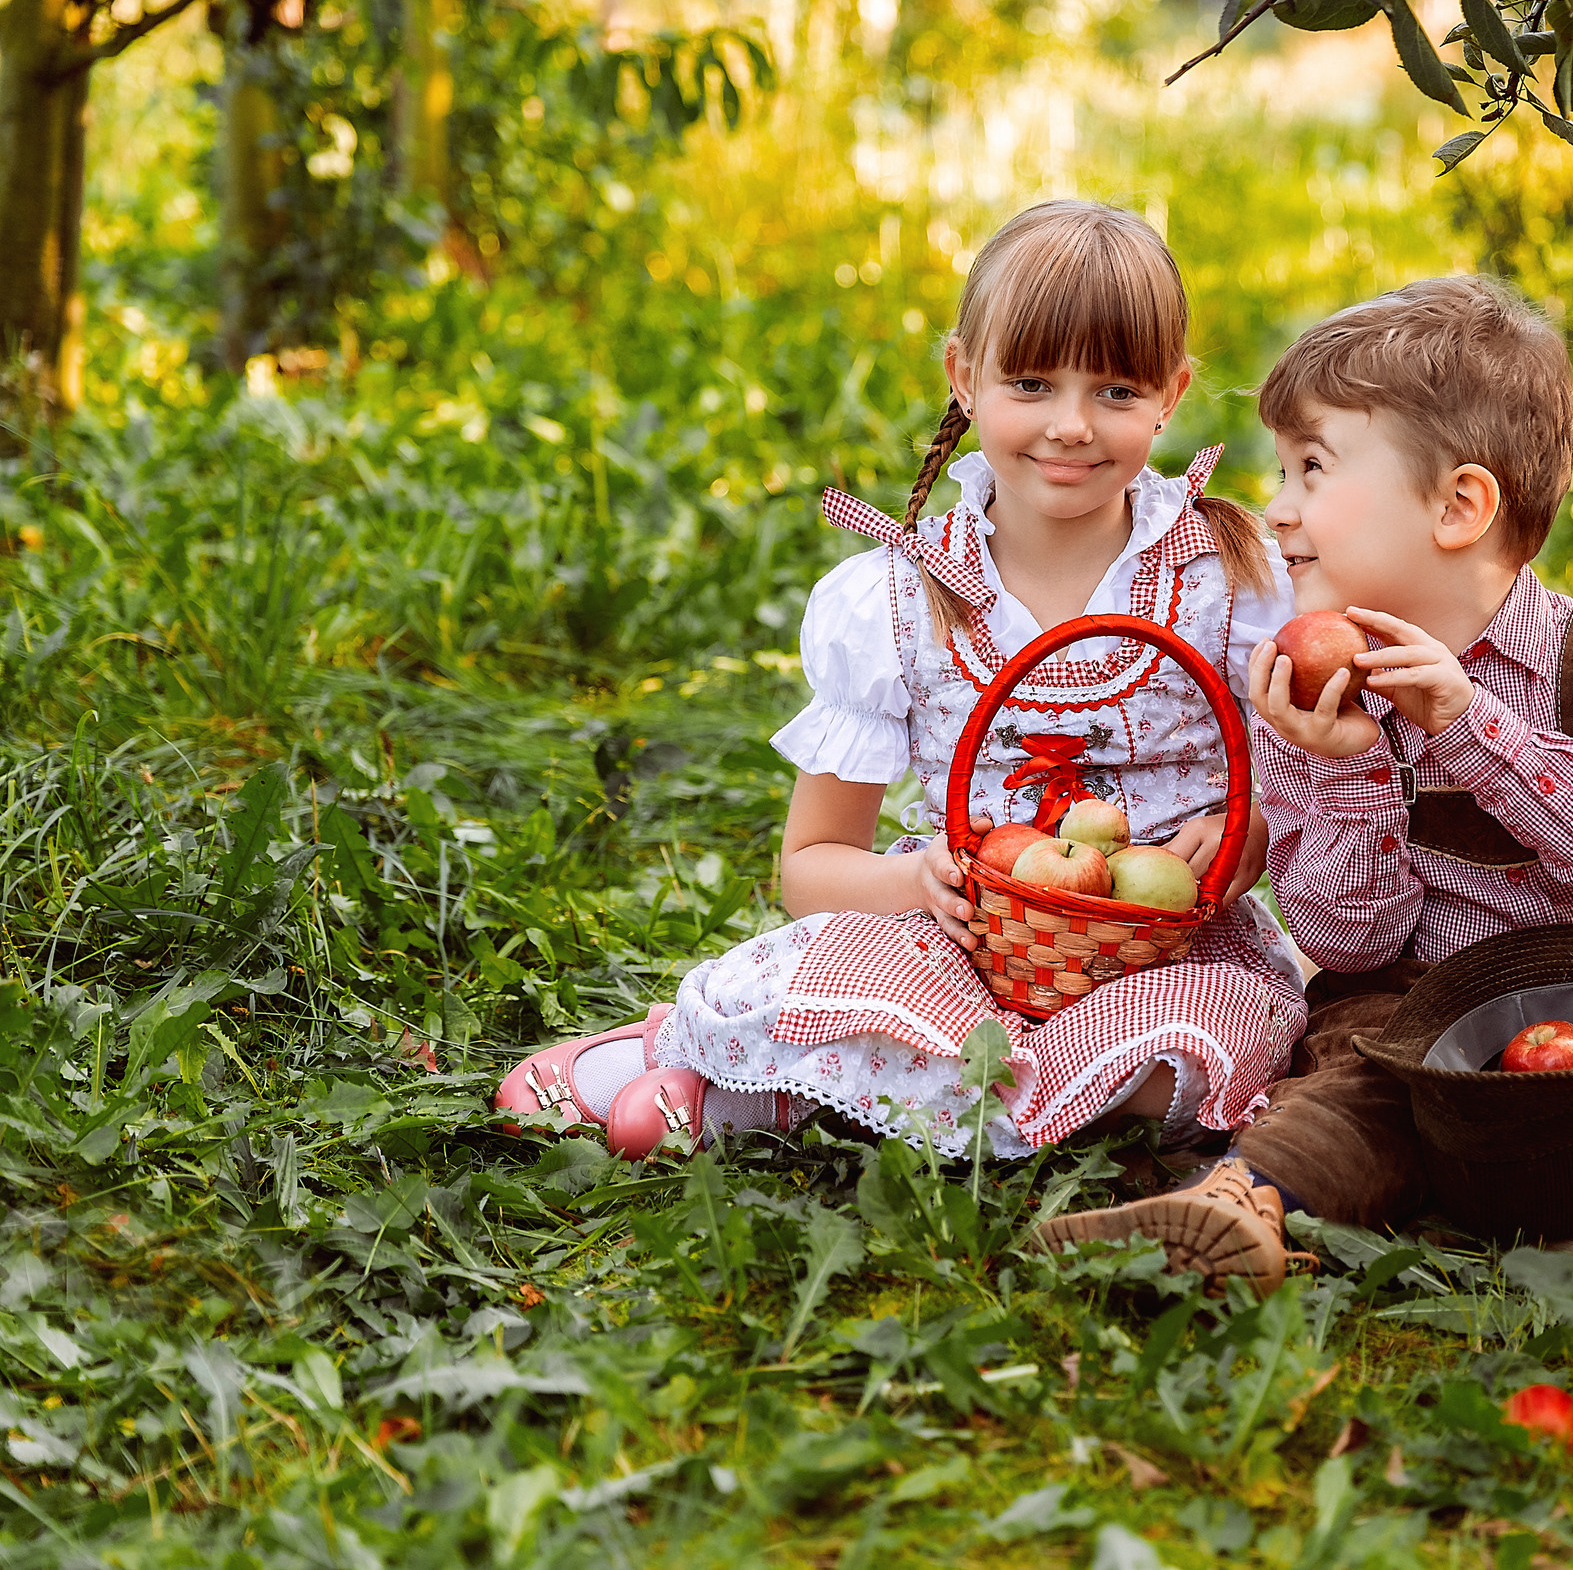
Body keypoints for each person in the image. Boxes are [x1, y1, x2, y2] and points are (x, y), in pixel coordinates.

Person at [1038, 277, 1573, 1378]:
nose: (1277, 507)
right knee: (1341, 1093)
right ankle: (1237, 1209)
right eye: (1280, 472)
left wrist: (1469, 727)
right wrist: (1342, 770)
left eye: (1312, 468)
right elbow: (1345, 944)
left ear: (1458, 507)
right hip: (1404, 1027)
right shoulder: (1310, 693)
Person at [493, 201, 1305, 1161]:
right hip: (955, 950)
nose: (1072, 425)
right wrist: (915, 884)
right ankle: (735, 1063)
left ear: (1171, 394)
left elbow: (1301, 787)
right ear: (964, 376)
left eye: (1118, 391)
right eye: (1032, 382)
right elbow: (812, 866)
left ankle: (823, 1091)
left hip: (1164, 954)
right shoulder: (897, 598)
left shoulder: (1226, 575)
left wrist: (1246, 832)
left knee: (1187, 1055)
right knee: (845, 973)